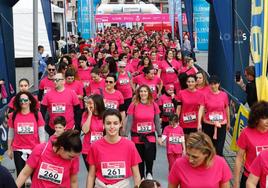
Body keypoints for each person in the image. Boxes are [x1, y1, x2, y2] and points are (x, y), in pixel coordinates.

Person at [86, 109, 141, 188]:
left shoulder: (130, 146)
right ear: (103, 125)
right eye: (108, 123)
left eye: (115, 123)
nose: (112, 127)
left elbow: (136, 175)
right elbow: (91, 175)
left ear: (120, 124)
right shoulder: (95, 146)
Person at [16, 130, 82, 188]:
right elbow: (24, 174)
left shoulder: (73, 158)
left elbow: (73, 181)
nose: (72, 158)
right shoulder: (41, 149)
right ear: (62, 149)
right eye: (70, 156)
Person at [7, 91, 45, 188]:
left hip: (34, 150)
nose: (23, 102)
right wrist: (9, 149)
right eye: (21, 100)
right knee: (20, 175)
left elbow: (41, 133)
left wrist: (43, 150)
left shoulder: (37, 114)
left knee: (34, 176)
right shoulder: (13, 115)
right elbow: (11, 133)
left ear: (30, 101)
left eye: (25, 100)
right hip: (18, 149)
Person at [125, 85, 162, 180]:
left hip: (150, 137)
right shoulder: (133, 105)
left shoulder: (154, 105)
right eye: (141, 91)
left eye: (145, 91)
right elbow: (129, 121)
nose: (143, 93)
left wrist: (160, 135)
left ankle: (149, 173)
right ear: (138, 93)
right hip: (137, 137)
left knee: (149, 157)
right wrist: (125, 135)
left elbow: (157, 121)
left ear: (148, 93)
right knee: (139, 159)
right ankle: (141, 177)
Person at [233, 101, 268, 188]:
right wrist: (236, 182)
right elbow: (239, 158)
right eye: (264, 118)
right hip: (249, 178)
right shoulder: (246, 133)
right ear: (256, 118)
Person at [198, 75, 230, 156]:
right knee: (209, 147)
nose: (213, 86)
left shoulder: (224, 95)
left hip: (221, 124)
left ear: (219, 84)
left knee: (219, 148)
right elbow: (201, 108)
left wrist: (228, 122)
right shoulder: (205, 95)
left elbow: (227, 109)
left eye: (215, 84)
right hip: (208, 123)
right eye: (211, 84)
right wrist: (199, 123)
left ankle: (218, 165)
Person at [81, 94, 105, 171]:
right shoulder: (85, 114)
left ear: (97, 103)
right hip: (88, 149)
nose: (88, 105)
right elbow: (85, 130)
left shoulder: (105, 115)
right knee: (92, 174)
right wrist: (90, 115)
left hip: (102, 149)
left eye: (90, 103)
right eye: (87, 103)